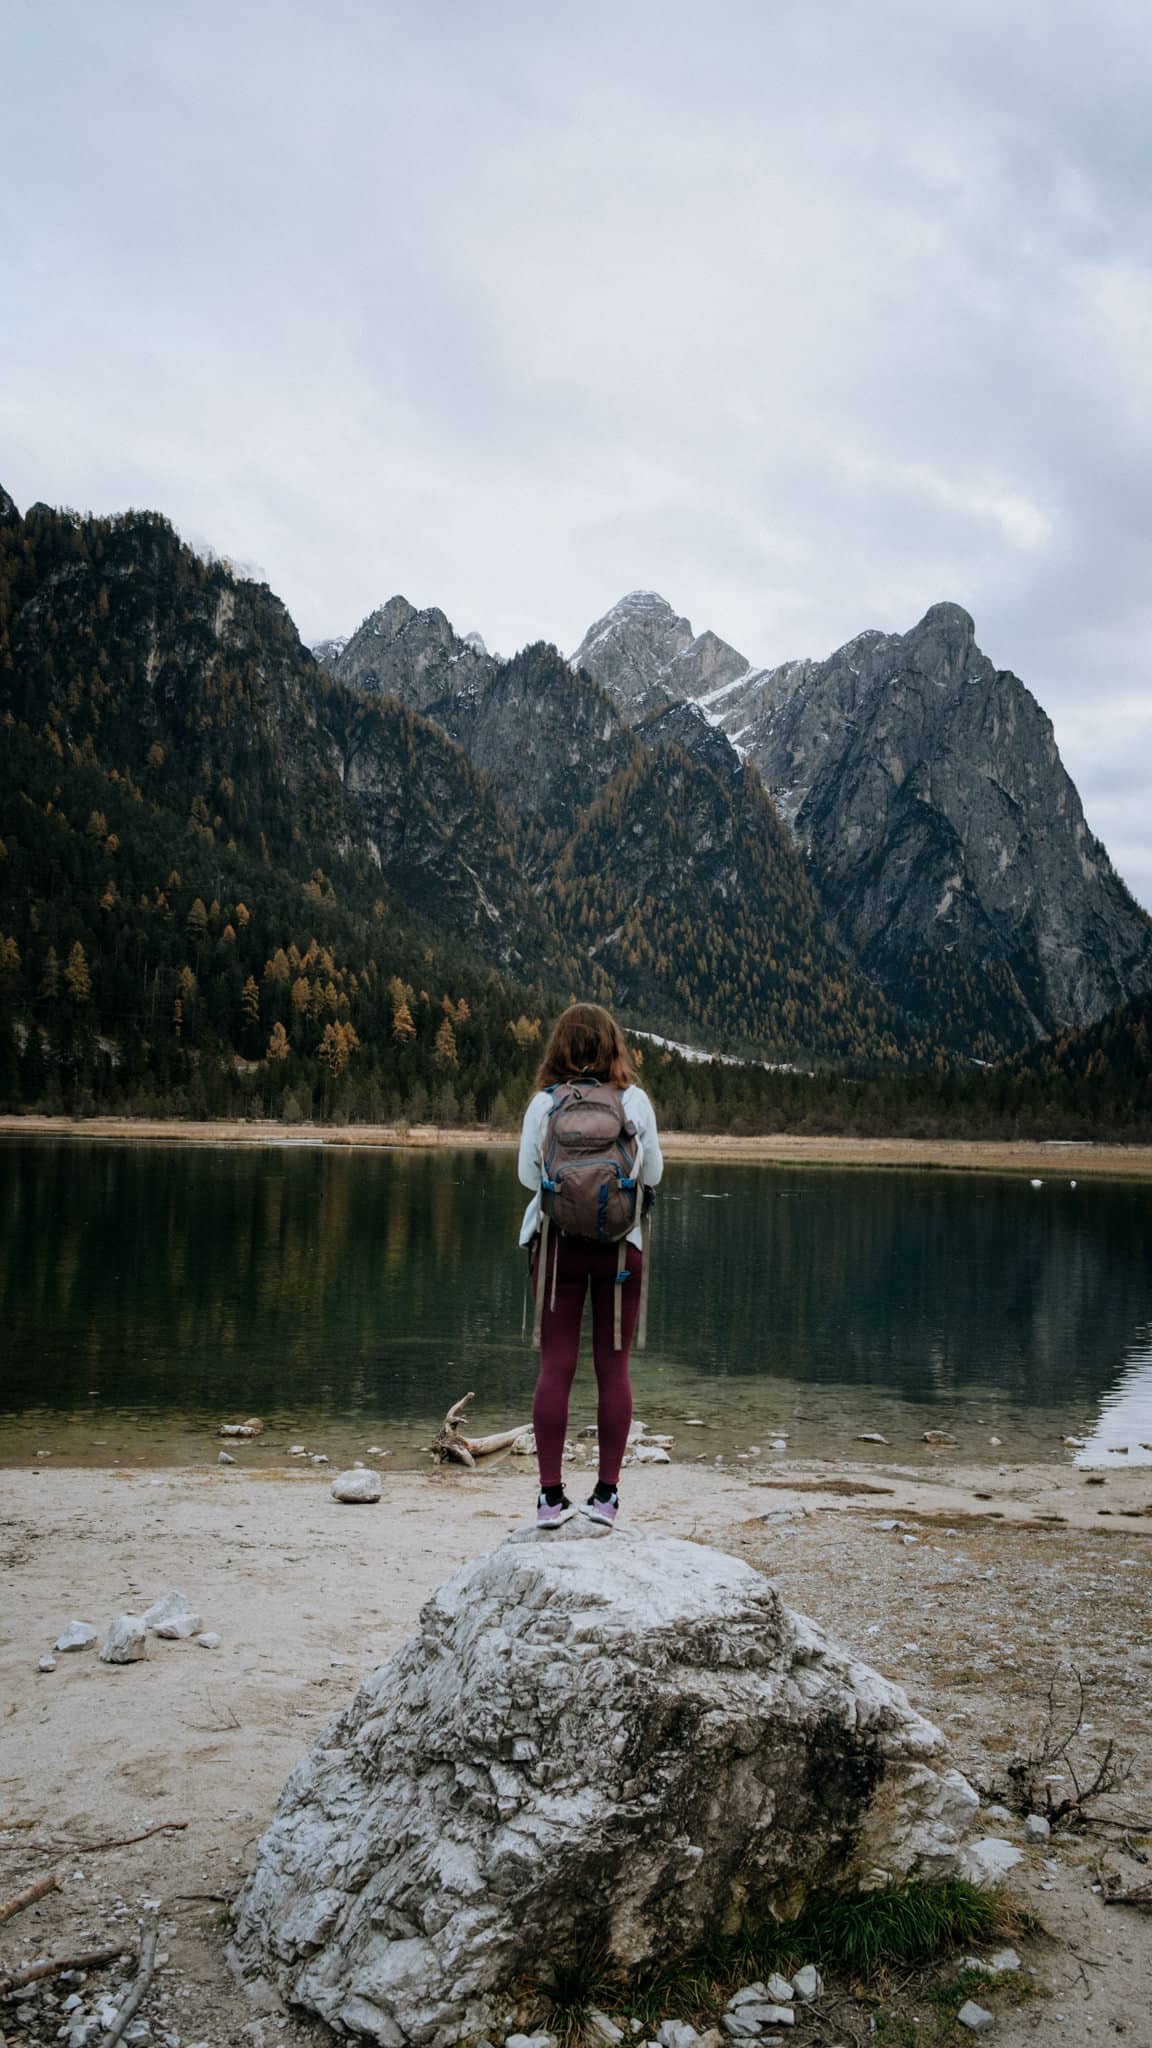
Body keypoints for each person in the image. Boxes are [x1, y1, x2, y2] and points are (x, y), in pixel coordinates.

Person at [517, 1002, 663, 1531]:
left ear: (559, 1046)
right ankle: (606, 1498)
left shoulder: (545, 1103)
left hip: (556, 1249)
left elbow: (528, 1180)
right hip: (623, 1249)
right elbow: (654, 1172)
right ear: (613, 1046)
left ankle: (550, 1499)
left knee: (556, 1365)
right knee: (613, 1369)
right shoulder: (634, 1101)